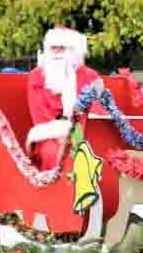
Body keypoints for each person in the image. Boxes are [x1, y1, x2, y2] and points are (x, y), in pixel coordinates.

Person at [25, 26, 101, 170]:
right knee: (54, 153)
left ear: (74, 51)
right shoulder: (37, 75)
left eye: (63, 47)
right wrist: (61, 135)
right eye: (53, 48)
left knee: (95, 151)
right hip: (49, 137)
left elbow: (98, 109)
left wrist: (77, 134)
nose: (57, 52)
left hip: (85, 132)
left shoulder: (90, 76)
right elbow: (39, 115)